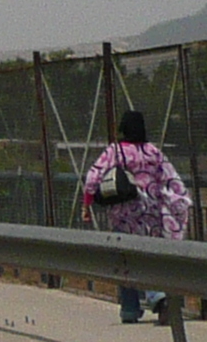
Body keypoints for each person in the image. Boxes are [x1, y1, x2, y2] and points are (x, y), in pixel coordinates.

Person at [80, 108, 193, 324]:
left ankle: (146, 302)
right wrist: (177, 204)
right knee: (148, 255)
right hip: (151, 211)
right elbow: (170, 178)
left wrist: (88, 204)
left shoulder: (116, 151)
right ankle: (141, 304)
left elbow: (93, 178)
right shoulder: (153, 151)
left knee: (125, 257)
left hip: (124, 212)